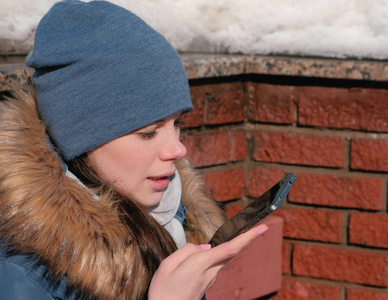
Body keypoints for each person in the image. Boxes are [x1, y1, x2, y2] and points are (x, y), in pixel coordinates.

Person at [0, 1, 268, 299]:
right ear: (80, 138)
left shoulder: (173, 220)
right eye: (148, 133)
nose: (178, 149)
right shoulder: (22, 276)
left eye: (177, 123)